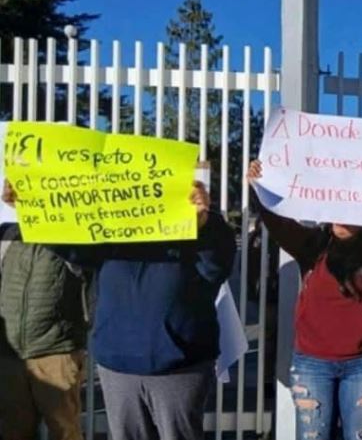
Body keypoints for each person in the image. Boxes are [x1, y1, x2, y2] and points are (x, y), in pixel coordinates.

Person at [246, 160, 362, 440]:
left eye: (350, 210)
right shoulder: (311, 246)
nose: (342, 218)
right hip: (312, 365)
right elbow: (277, 221)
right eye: (337, 209)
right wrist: (259, 186)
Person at [66, 179, 235, 440]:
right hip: (117, 364)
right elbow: (72, 248)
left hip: (179, 366)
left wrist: (202, 224)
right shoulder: (111, 221)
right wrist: (32, 207)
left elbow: (216, 269)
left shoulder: (203, 223)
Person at [0, 180, 88, 440]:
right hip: (10, 356)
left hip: (56, 354)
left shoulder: (75, 237)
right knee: (12, 431)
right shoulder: (7, 235)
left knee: (65, 432)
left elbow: (87, 269)